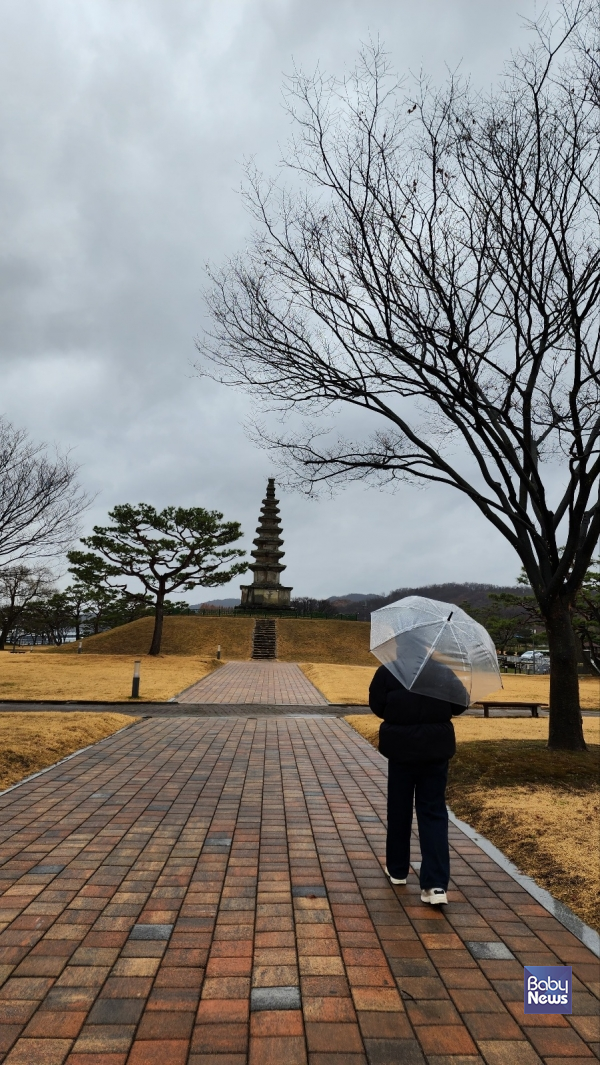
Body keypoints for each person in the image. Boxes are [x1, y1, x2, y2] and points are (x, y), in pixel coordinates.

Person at [369, 661, 467, 905]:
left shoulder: (388, 671)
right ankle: (435, 885)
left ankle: (398, 869)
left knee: (399, 808)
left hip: (401, 749)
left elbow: (378, 706)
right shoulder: (443, 671)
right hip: (435, 749)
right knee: (433, 811)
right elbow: (459, 704)